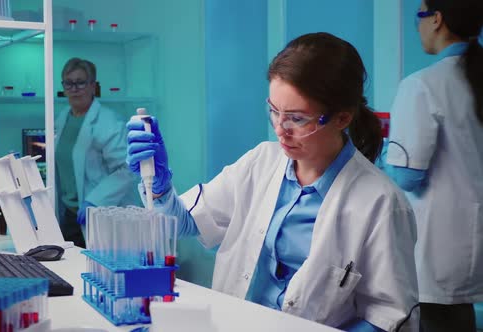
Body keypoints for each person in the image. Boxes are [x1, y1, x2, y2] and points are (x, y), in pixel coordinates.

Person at [126, 33, 420, 331]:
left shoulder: (381, 203)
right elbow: (186, 221)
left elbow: (389, 318)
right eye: (275, 111)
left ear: (342, 118)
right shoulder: (261, 163)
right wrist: (161, 185)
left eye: (297, 118)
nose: (281, 130)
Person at [384, 1, 483, 331]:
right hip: (470, 241)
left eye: (420, 17)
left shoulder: (423, 84)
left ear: (437, 19)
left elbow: (407, 176)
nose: (417, 28)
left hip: (439, 245)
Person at [55, 57, 139, 248]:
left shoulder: (109, 122)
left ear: (93, 86)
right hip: (69, 215)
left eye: (80, 82)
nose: (74, 89)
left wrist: (95, 201)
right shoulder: (62, 118)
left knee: (97, 273)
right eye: (69, 83)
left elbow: (127, 170)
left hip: (100, 215)